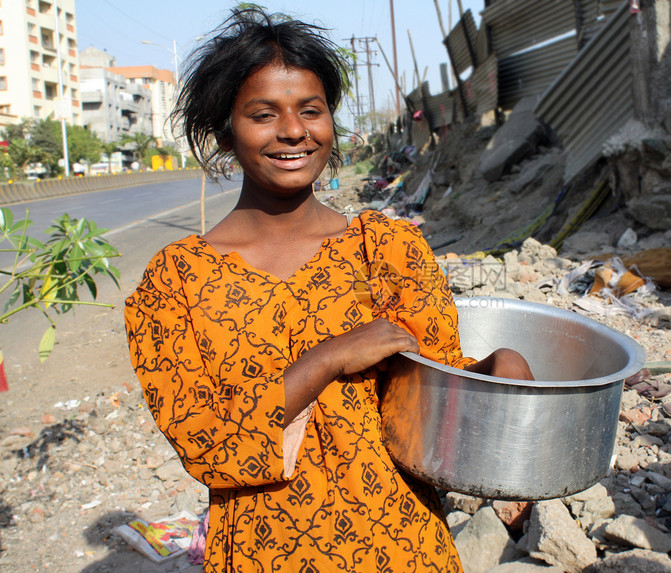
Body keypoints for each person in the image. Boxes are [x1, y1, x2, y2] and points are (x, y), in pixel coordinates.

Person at [124, 7, 532, 572]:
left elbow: (431, 400)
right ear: (225, 130)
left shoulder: (387, 251)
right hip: (264, 551)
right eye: (263, 114)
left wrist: (497, 372)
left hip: (402, 544)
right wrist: (327, 359)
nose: (293, 130)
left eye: (310, 111)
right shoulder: (176, 282)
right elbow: (205, 443)